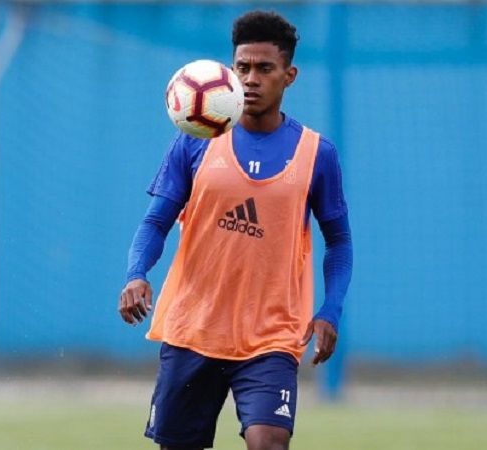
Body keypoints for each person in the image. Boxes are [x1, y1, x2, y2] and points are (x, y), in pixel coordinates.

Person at [119, 10, 353, 450]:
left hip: (271, 336)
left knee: (269, 442)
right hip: (194, 328)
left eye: (265, 68)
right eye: (242, 67)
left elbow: (338, 240)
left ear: (289, 75)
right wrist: (136, 274)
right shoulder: (195, 138)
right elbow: (155, 221)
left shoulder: (317, 153)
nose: (250, 79)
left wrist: (331, 309)